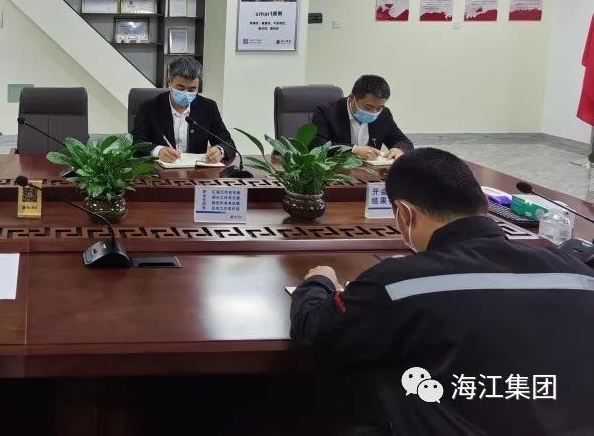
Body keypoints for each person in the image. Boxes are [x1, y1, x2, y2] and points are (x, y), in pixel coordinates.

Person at [290, 148, 594, 435]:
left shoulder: (398, 282)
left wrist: (319, 282)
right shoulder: (578, 273)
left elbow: (319, 330)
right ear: (485, 205)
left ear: (404, 214)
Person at [131, 56, 234, 164]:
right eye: (180, 88)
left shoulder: (208, 107)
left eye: (192, 89)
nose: (186, 93)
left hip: (196, 171)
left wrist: (219, 151)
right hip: (160, 169)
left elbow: (227, 142)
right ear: (169, 82)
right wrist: (158, 151)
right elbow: (136, 142)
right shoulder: (149, 107)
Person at [311, 74, 412, 160]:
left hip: (371, 172)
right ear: (352, 98)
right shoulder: (326, 112)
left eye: (379, 108)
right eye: (368, 107)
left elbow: (403, 141)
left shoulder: (383, 114)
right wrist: (353, 150)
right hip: (336, 171)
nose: (374, 112)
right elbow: (318, 145)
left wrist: (399, 149)